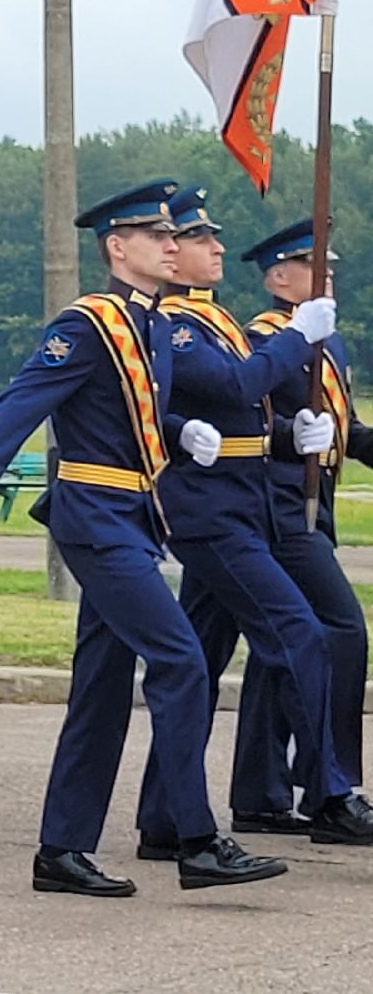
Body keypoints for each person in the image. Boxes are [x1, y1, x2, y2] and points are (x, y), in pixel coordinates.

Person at [0, 179, 289, 895]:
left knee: (101, 687)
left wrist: (184, 430)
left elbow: (129, 415)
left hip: (133, 520)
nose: (173, 246)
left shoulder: (151, 325)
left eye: (174, 237)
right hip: (95, 520)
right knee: (181, 662)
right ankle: (198, 840)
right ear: (119, 249)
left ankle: (61, 850)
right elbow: (20, 406)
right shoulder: (89, 324)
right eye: (158, 237)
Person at [130, 189, 373, 854]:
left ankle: (165, 819)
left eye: (206, 240)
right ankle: (327, 791)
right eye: (196, 241)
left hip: (247, 508)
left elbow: (254, 414)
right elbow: (238, 388)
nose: (207, 249)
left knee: (197, 668)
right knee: (305, 634)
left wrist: (296, 430)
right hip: (217, 514)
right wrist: (299, 337)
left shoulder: (219, 323)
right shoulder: (178, 325)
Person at [228, 219, 373, 831]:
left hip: (316, 506)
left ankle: (261, 796)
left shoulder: (325, 343)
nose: (330, 278)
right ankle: (329, 790)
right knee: (342, 632)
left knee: (278, 652)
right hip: (279, 511)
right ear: (279, 278)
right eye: (317, 268)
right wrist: (290, 437)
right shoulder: (268, 339)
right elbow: (246, 419)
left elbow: (345, 429)